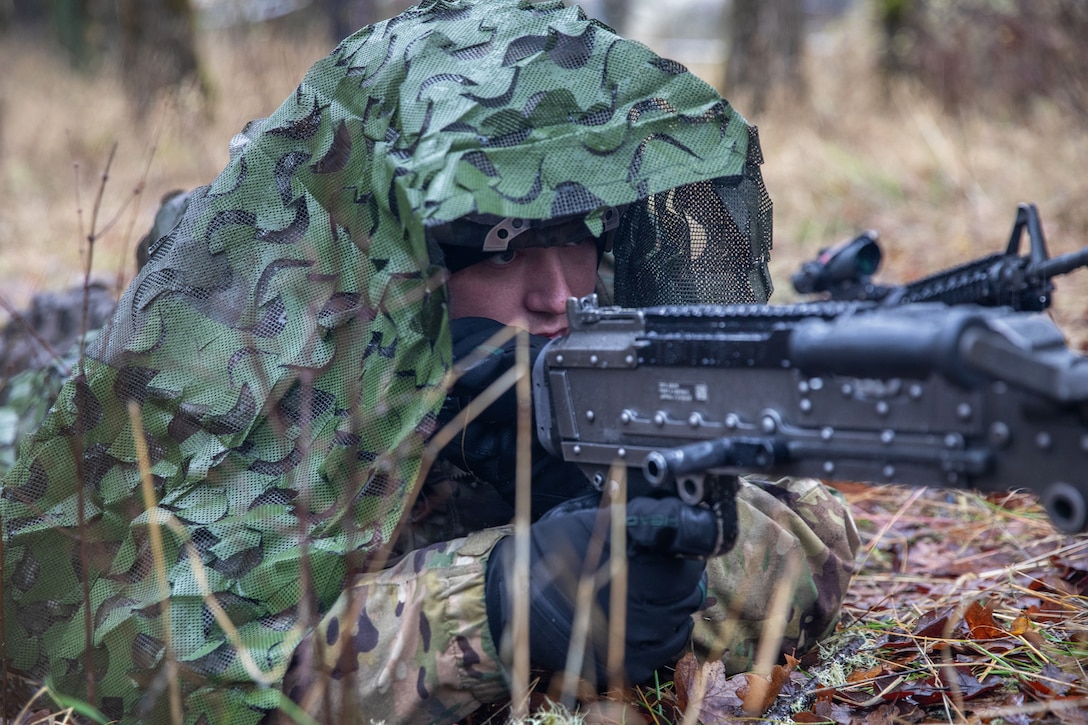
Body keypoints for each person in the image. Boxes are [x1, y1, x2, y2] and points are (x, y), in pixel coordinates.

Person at [0, 1, 859, 723]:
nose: (559, 294)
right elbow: (134, 657)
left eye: (579, 239)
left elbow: (809, 534)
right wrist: (501, 603)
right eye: (499, 247)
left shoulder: (580, 363)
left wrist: (609, 513)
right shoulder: (242, 406)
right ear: (397, 262)